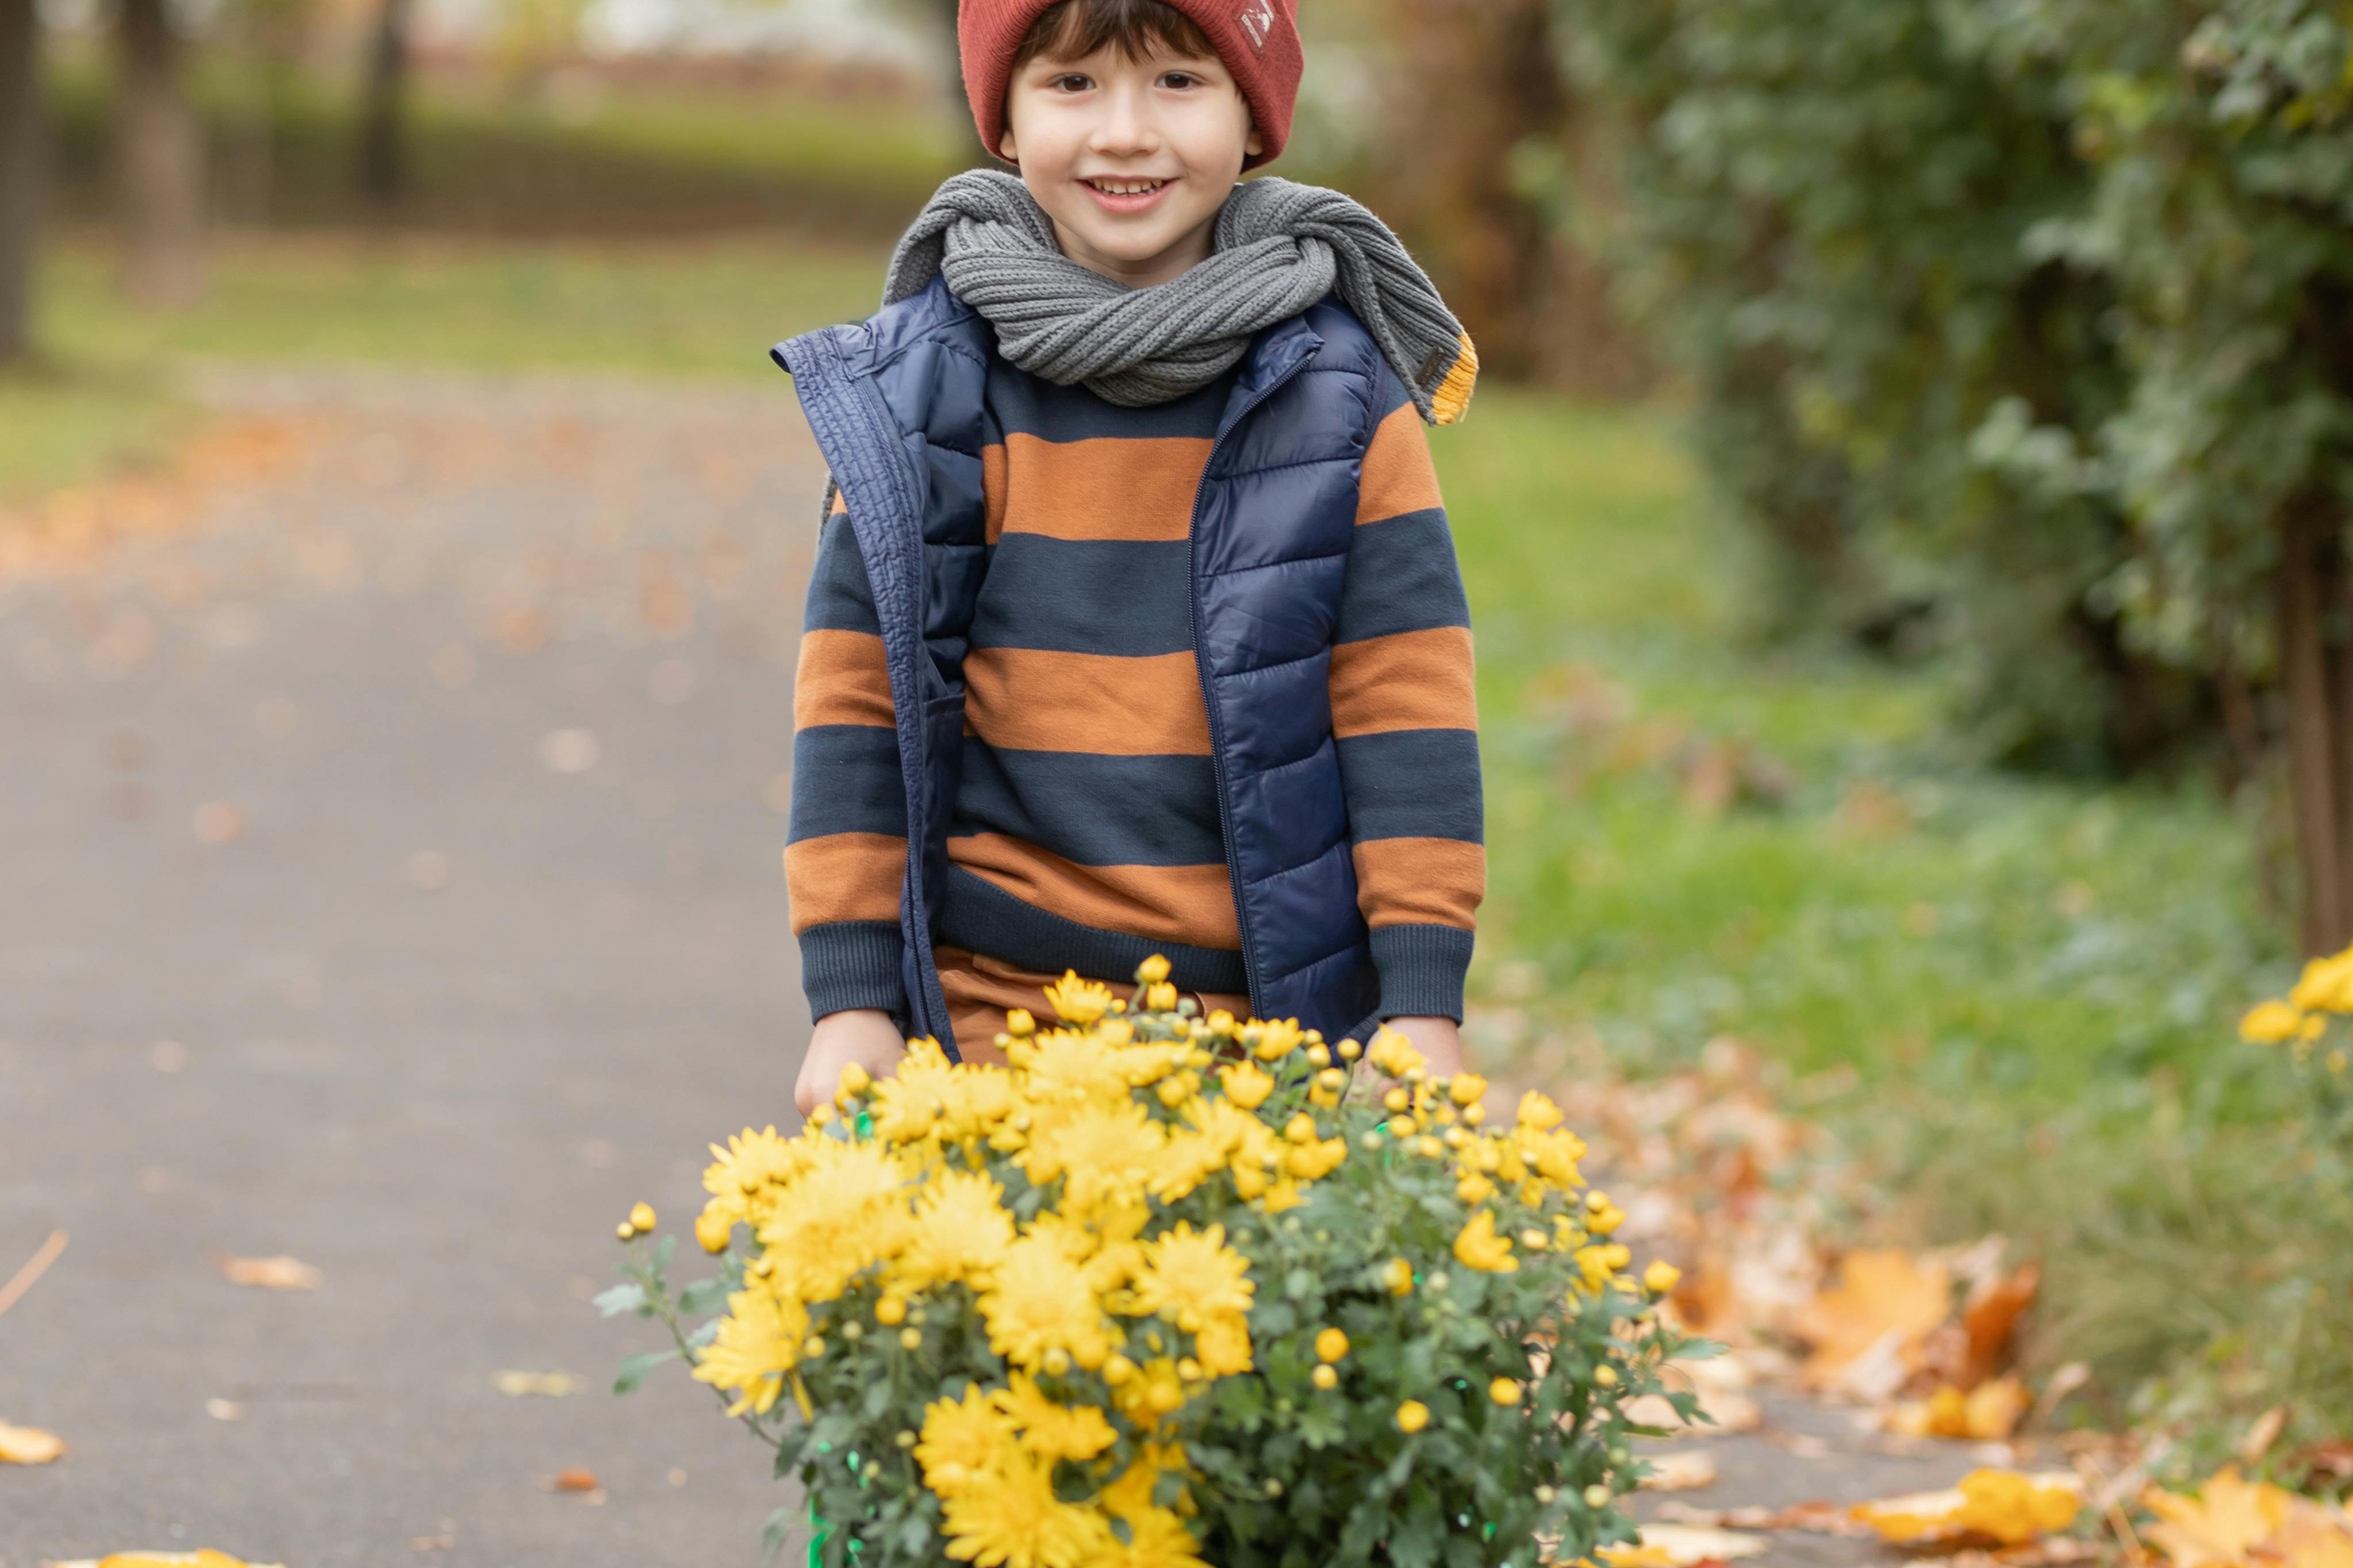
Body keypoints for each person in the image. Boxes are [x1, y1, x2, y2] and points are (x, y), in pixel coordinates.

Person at [781, 0, 1483, 1112]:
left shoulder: (1339, 400)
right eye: (1071, 85)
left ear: (1253, 118)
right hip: (988, 1022)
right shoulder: (920, 397)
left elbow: (1406, 705)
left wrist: (1422, 1006)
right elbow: (858, 704)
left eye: (1177, 83)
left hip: (1264, 1038)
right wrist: (853, 997)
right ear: (1002, 120)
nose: (1123, 131)